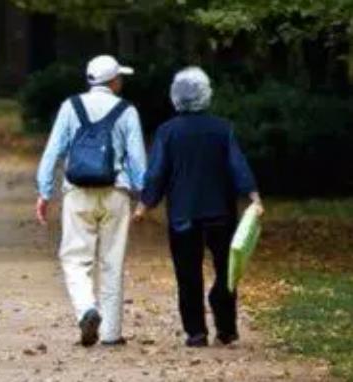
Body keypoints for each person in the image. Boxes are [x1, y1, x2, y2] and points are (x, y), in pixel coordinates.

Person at [133, 67, 264, 347]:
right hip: (221, 211)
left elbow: (157, 172)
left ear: (175, 97)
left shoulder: (167, 132)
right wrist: (253, 195)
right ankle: (226, 327)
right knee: (227, 269)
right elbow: (237, 164)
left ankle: (196, 332)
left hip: (183, 213)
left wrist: (145, 204)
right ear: (206, 95)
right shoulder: (222, 128)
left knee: (187, 273)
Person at [36, 55, 147, 347]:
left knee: (75, 258)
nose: (121, 81)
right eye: (119, 77)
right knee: (112, 261)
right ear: (113, 81)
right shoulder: (127, 111)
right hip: (116, 194)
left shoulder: (70, 107)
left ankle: (87, 308)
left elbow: (52, 152)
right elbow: (137, 161)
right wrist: (144, 196)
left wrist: (44, 192)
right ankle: (111, 333)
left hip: (78, 192)